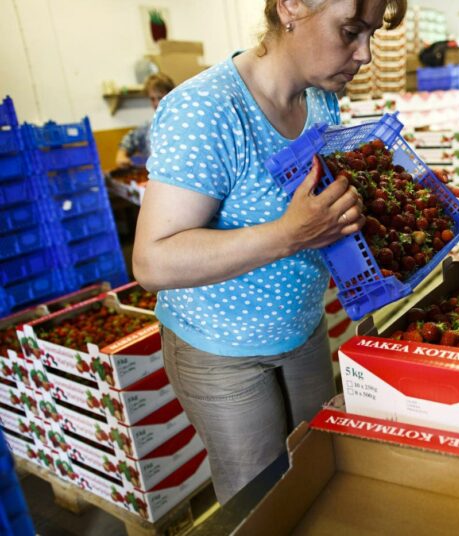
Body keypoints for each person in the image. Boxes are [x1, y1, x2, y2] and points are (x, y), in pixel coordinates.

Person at [132, 0, 406, 504]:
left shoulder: (320, 99)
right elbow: (152, 262)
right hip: (221, 350)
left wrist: (412, 204)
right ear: (292, 7)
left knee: (317, 468)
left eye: (370, 35)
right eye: (350, 31)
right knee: (259, 500)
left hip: (301, 329)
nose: (364, 54)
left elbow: (321, 206)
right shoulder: (208, 111)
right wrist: (288, 234)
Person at [115, 73, 175, 168]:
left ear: (171, 96)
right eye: (152, 99)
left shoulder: (180, 123)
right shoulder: (150, 126)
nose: (156, 103)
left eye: (160, 98)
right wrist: (121, 155)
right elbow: (131, 138)